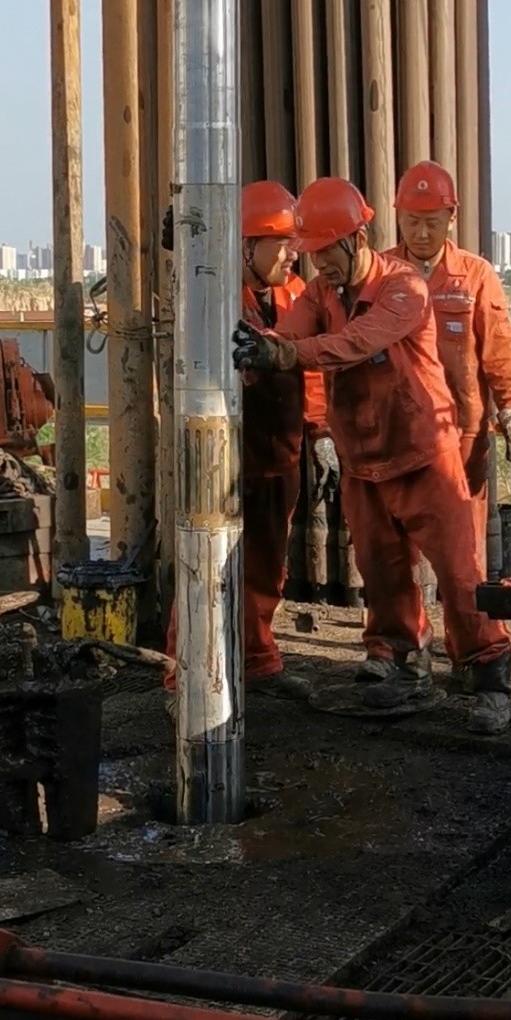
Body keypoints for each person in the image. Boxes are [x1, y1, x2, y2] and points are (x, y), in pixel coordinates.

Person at [233, 176, 511, 734]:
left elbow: (358, 341)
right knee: (381, 574)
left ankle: (488, 678)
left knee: (460, 575)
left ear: (356, 240)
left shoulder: (403, 286)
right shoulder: (320, 293)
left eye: (326, 252)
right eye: (310, 255)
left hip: (423, 455)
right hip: (363, 461)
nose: (318, 265)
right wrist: (261, 348)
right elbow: (290, 332)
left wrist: (283, 354)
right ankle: (402, 662)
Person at [164, 181, 333, 705]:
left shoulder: (294, 295)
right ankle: (183, 677)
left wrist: (320, 433)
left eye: (293, 243)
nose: (292, 254)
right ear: (245, 245)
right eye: (280, 243)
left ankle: (257, 661)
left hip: (278, 454)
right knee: (206, 565)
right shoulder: (211, 296)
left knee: (265, 568)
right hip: (224, 458)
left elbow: (312, 370)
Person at [389, 161, 511, 556]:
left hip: (463, 431)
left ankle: (468, 598)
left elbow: (500, 348)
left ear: (452, 218)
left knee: (463, 542)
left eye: (431, 222)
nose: (421, 233)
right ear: (398, 217)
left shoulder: (475, 276)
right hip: (397, 431)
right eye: (412, 222)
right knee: (400, 541)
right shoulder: (382, 274)